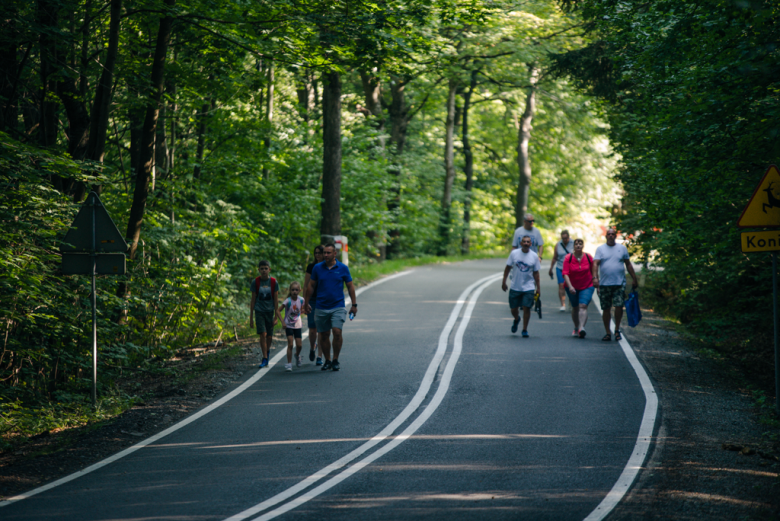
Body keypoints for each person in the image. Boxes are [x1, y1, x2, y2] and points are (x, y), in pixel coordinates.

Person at [303, 243, 358, 371]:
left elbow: (350, 286)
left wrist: (354, 305)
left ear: (335, 254)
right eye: (324, 253)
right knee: (323, 335)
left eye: (328, 253)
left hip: (337, 305)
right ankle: (327, 360)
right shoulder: (317, 268)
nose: (325, 255)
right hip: (321, 306)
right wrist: (306, 303)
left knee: (337, 332)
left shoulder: (343, 268)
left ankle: (335, 360)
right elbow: (310, 286)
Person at [593, 228, 639, 342]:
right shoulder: (600, 249)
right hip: (604, 284)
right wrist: (595, 278)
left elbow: (628, 264)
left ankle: (617, 329)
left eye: (613, 234)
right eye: (609, 234)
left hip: (619, 283)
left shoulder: (622, 249)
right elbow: (595, 264)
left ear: (615, 236)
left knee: (619, 306)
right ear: (606, 236)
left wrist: (634, 278)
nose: (610, 236)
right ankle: (608, 332)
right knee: (606, 308)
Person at [502, 235, 541, 338]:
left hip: (528, 287)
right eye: (524, 241)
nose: (526, 243)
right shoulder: (514, 253)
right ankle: (516, 319)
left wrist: (538, 288)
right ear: (521, 243)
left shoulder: (534, 256)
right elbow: (507, 268)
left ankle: (524, 329)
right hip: (515, 286)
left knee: (527, 308)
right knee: (513, 309)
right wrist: (504, 282)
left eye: (528, 242)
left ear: (531, 244)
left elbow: (536, 273)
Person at [249, 260, 281, 368]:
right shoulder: (256, 282)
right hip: (259, 311)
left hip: (270, 311)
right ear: (258, 270)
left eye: (266, 268)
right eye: (261, 269)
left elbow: (276, 300)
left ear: (269, 269)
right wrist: (251, 318)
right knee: (262, 333)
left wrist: (276, 316)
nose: (264, 271)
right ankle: (265, 357)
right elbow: (253, 300)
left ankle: (267, 351)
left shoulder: (273, 282)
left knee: (269, 335)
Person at [562, 239, 595, 338]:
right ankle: (576, 327)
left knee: (583, 306)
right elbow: (565, 273)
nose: (578, 246)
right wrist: (571, 286)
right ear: (574, 246)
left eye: (580, 244)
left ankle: (582, 328)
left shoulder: (588, 257)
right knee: (575, 307)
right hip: (571, 286)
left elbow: (594, 270)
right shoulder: (568, 258)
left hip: (587, 285)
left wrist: (596, 282)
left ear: (583, 246)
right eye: (576, 244)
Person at [304, 246, 325, 365]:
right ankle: (313, 347)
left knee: (321, 329)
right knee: (312, 330)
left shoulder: (326, 267)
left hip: (323, 300)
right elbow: (306, 285)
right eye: (315, 253)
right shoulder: (311, 267)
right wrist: (303, 302)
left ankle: (320, 356)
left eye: (320, 253)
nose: (317, 255)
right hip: (311, 300)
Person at [279, 282, 305, 371]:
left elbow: (304, 308)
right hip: (288, 325)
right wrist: (282, 322)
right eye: (293, 290)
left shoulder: (301, 300)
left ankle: (297, 355)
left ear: (299, 291)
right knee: (290, 344)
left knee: (299, 345)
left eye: (296, 290)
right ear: (290, 290)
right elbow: (278, 311)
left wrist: (306, 311)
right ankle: (289, 364)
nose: (294, 291)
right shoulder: (287, 301)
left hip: (297, 325)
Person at [548, 229, 573, 312]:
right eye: (563, 238)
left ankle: (571, 302)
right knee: (561, 286)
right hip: (560, 267)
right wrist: (551, 268)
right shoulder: (558, 245)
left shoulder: (574, 243)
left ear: (569, 237)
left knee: (571, 286)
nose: (564, 240)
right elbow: (555, 257)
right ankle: (563, 304)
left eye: (566, 238)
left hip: (571, 269)